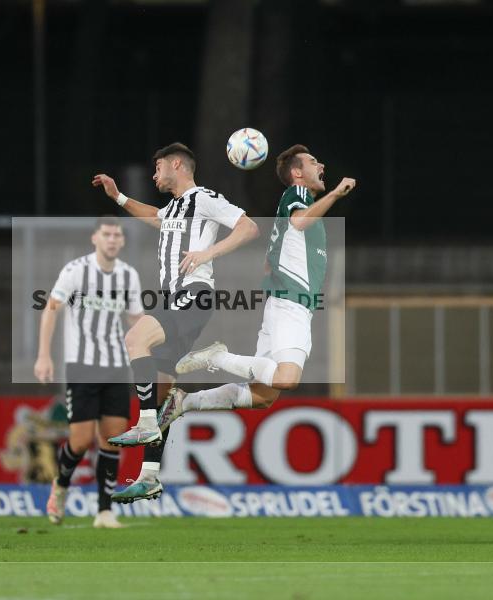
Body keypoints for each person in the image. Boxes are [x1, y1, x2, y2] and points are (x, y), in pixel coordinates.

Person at [92, 142, 259, 502]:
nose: (153, 175)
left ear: (177, 164)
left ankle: (146, 422)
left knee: (136, 339)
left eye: (157, 167)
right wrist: (118, 197)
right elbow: (156, 217)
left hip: (193, 293)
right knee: (164, 390)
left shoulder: (204, 198)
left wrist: (207, 253)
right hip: (177, 298)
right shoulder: (176, 208)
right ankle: (150, 475)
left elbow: (248, 228)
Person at [158, 145, 355, 424]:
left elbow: (271, 257)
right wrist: (336, 193)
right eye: (313, 161)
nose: (321, 165)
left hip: (283, 302)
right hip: (292, 302)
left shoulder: (290, 204)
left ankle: (185, 402)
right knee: (286, 379)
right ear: (297, 173)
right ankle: (217, 358)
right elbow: (299, 223)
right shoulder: (298, 194)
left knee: (263, 396)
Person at [35, 216, 143, 528]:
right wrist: (44, 355)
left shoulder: (128, 275)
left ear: (122, 241)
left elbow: (135, 319)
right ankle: (61, 486)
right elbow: (51, 309)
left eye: (117, 235)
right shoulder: (75, 271)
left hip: (116, 366)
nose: (112, 239)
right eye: (106, 234)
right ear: (95, 238)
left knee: (112, 440)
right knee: (80, 441)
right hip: (82, 365)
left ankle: (105, 511)